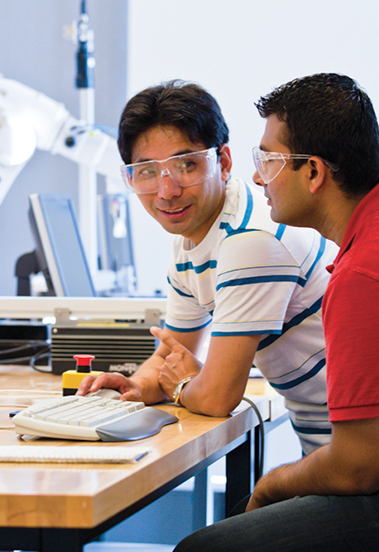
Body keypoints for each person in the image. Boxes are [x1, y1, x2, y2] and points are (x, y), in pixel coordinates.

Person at [174, 73, 379, 552]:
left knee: (201, 549)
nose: (260, 176)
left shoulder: (361, 275)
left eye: (269, 160)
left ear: (314, 172)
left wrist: (273, 484)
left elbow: (357, 466)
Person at [77, 80, 335, 455]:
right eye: (147, 171)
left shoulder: (250, 239)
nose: (167, 191)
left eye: (186, 165)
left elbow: (216, 398)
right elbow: (172, 352)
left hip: (354, 463)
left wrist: (184, 386)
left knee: (250, 506)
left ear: (224, 162)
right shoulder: (194, 236)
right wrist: (135, 385)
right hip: (328, 449)